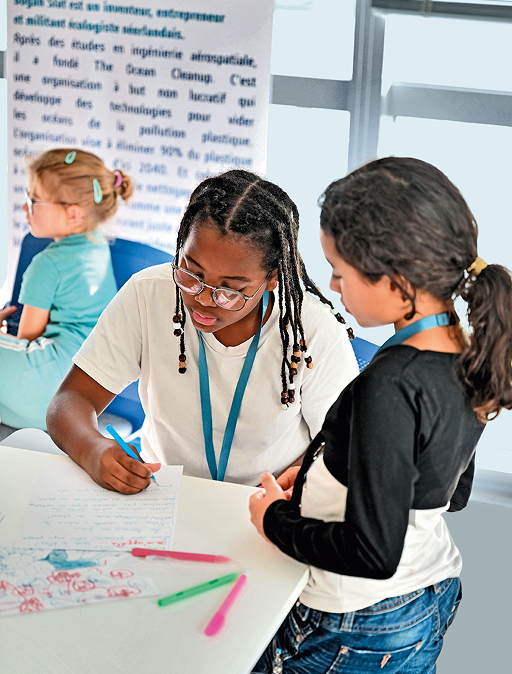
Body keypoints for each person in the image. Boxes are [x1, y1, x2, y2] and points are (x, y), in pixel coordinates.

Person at [249, 157, 512, 674]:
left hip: (360, 616)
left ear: (396, 282)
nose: (333, 283)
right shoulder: (467, 354)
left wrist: (274, 519)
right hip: (427, 590)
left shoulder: (390, 384)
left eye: (340, 271)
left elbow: (373, 553)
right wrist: (326, 471)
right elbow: (446, 493)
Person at [46, 169, 359, 492]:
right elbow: (70, 400)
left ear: (272, 278)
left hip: (266, 502)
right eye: (191, 275)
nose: (204, 300)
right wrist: (92, 448)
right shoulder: (149, 293)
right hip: (161, 491)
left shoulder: (313, 330)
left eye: (231, 291)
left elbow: (345, 446)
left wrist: (301, 481)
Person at [0, 148, 130, 430]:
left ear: (73, 215)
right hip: (83, 396)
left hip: (45, 390)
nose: (24, 208)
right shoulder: (97, 244)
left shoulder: (47, 264)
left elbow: (26, 339)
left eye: (33, 201)